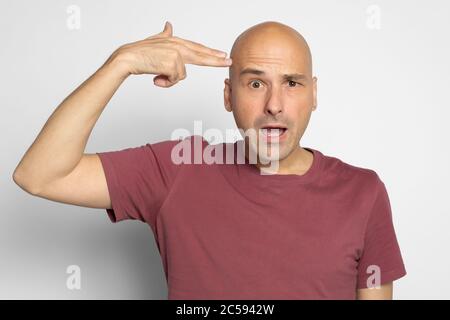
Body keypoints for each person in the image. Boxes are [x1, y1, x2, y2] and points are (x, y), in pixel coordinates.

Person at [12, 20, 406, 300]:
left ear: (313, 94)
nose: (274, 105)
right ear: (228, 96)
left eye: (291, 83)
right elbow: (39, 174)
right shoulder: (179, 169)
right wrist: (121, 64)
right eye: (255, 84)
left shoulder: (363, 192)